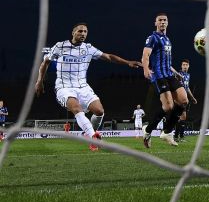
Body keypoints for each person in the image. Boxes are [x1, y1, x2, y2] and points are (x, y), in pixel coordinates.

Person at [35, 22, 141, 151]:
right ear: (73, 32)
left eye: (85, 31)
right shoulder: (60, 46)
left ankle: (89, 133)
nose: (83, 34)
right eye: (80, 31)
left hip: (83, 87)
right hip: (64, 87)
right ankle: (93, 138)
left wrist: (127, 62)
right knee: (76, 108)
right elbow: (45, 62)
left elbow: (108, 57)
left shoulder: (88, 48)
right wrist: (39, 81)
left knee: (99, 111)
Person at [141, 13, 189, 148]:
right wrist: (145, 69)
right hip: (159, 76)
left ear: (167, 23)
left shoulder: (167, 39)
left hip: (169, 74)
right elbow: (145, 55)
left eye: (165, 20)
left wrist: (176, 73)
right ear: (155, 23)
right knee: (168, 107)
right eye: (160, 20)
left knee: (183, 101)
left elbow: (167, 62)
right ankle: (148, 130)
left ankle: (167, 132)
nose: (162, 22)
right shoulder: (152, 38)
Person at [174, 59, 198, 143]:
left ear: (188, 66)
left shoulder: (188, 75)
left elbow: (187, 88)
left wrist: (192, 98)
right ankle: (177, 136)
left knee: (182, 118)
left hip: (184, 99)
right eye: (183, 65)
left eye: (186, 65)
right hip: (178, 98)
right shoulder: (178, 74)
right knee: (181, 117)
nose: (185, 66)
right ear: (181, 66)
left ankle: (179, 136)